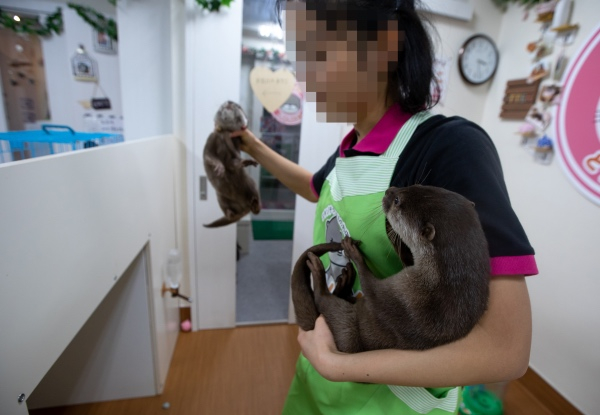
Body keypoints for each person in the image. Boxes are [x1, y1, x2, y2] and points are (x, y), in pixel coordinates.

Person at [232, 0, 538, 413]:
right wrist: (249, 143)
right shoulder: (350, 147)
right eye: (298, 59)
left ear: (383, 44)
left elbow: (506, 348)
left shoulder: (449, 149)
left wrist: (338, 366)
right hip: (318, 381)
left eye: (318, 53)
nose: (303, 76)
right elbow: (311, 186)